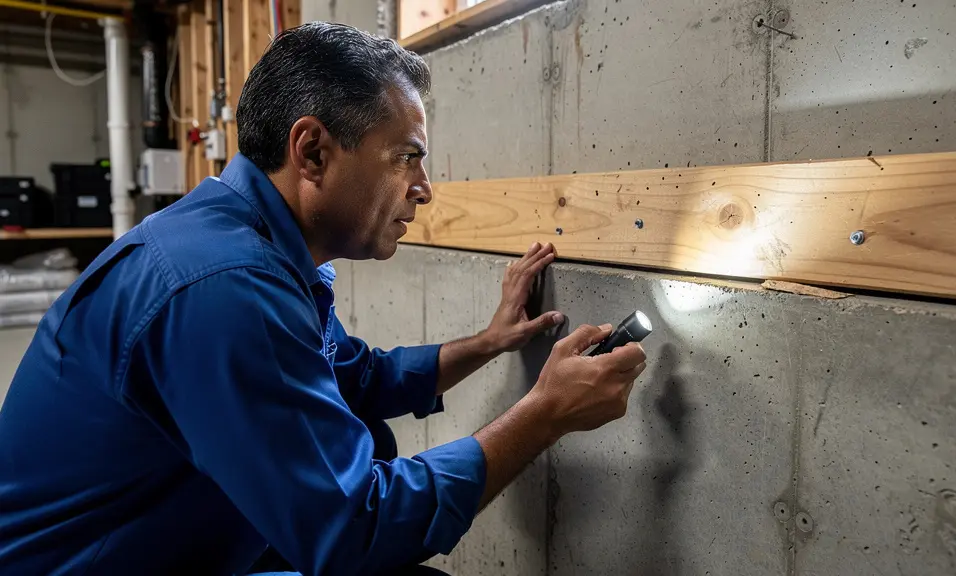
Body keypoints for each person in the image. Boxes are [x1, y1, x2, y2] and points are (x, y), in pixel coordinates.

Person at [0, 22, 646, 575]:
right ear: (312, 151)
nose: (424, 189)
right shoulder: (224, 286)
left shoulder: (250, 247)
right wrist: (546, 413)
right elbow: (353, 530)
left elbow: (355, 379)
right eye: (406, 158)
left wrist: (487, 341)